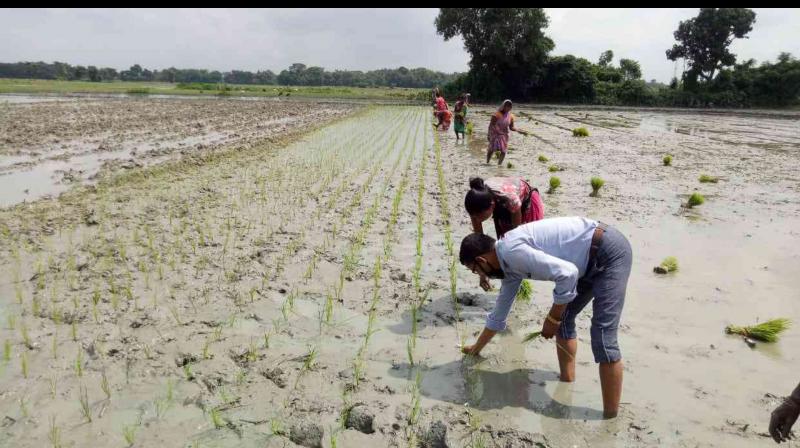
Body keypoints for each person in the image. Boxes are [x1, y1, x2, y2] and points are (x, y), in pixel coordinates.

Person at [458, 217, 633, 419]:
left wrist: (552, 318)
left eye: (475, 270)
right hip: (586, 260)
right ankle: (567, 383)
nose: (479, 274)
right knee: (565, 321)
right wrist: (476, 349)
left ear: (481, 260)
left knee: (603, 334)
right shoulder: (508, 265)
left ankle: (609, 420)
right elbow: (499, 313)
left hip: (608, 252)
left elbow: (567, 274)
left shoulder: (512, 252)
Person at [465, 176, 545, 290]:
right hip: (503, 208)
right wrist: (483, 273)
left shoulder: (509, 198)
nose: (476, 219)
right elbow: (480, 244)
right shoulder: (475, 205)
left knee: (519, 247)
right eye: (473, 217)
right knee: (504, 250)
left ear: (492, 206)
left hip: (525, 204)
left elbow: (516, 238)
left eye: (479, 216)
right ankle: (510, 283)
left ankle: (517, 283)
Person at [487, 99, 524, 165]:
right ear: (503, 106)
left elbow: (511, 127)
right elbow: (491, 125)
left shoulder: (511, 116)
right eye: (506, 106)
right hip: (495, 134)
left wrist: (519, 130)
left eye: (509, 106)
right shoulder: (496, 114)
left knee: (503, 151)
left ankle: (499, 165)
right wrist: (488, 135)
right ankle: (487, 162)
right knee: (491, 149)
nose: (508, 108)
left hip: (504, 135)